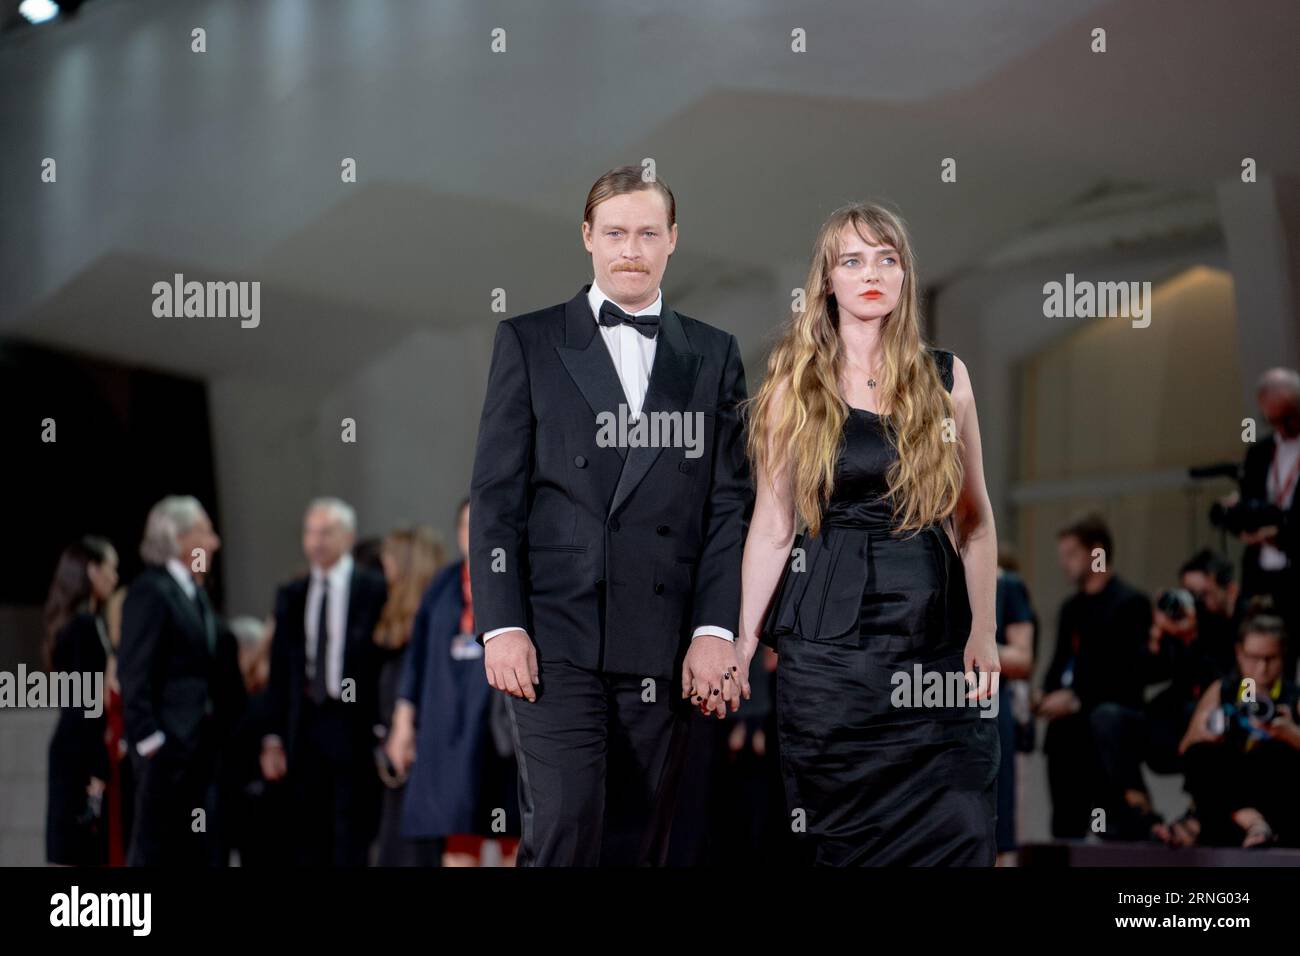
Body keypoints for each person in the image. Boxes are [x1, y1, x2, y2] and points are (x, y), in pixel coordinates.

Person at [469, 165, 752, 866]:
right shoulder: (529, 342)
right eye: (617, 232)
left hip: (662, 635)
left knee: (639, 838)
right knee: (566, 821)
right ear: (588, 238)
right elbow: (496, 498)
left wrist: (717, 630)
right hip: (553, 634)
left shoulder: (713, 355)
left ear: (673, 241)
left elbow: (728, 505)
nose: (632, 249)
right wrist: (500, 625)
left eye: (648, 233)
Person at [739, 201, 1001, 866]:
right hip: (832, 661)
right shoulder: (792, 388)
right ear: (826, 280)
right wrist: (741, 642)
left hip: (935, 643)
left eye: (888, 259)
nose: (872, 273)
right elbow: (772, 527)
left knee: (963, 826)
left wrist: (984, 630)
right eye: (852, 261)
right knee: (844, 846)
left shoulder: (948, 379)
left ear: (906, 276)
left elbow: (973, 520)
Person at [388, 499, 521, 866]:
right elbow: (415, 662)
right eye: (464, 526)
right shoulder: (441, 587)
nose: (472, 533)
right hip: (446, 731)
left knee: (513, 832)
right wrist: (402, 725)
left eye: (479, 524)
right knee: (457, 830)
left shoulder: (512, 578)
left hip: (500, 730)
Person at [261, 497, 388, 865]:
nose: (316, 542)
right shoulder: (292, 594)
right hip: (305, 727)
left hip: (355, 725)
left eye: (326, 533)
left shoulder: (373, 589)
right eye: (310, 533)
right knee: (307, 831)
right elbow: (280, 671)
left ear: (348, 537)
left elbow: (381, 663)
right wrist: (272, 737)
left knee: (353, 830)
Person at [118, 495, 244, 866]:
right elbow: (134, 672)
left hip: (200, 749)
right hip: (167, 753)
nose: (215, 542)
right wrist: (150, 740)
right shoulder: (151, 592)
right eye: (205, 532)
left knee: (201, 851)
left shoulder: (195, 593)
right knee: (157, 852)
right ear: (180, 539)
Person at [1036, 514, 1153, 841]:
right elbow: (1057, 666)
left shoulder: (1130, 605)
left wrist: (1076, 698)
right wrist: (1043, 695)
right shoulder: (1070, 609)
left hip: (1102, 738)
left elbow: (1130, 674)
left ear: (1097, 553)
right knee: (1066, 827)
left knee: (1110, 828)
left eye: (1071, 554)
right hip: (1065, 739)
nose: (1064, 564)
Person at [1177, 613, 1300, 847]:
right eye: (1254, 658)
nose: (1262, 668)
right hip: (1230, 799)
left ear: (1283, 656)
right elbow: (1186, 751)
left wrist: (1290, 733)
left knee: (1276, 753)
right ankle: (1251, 820)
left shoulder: (1294, 698)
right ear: (1239, 653)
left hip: (1276, 801)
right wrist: (1205, 733)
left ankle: (1200, 823)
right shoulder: (1222, 690)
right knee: (1201, 755)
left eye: (1270, 658)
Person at [44, 536, 119, 866]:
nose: (115, 577)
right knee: (86, 850)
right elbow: (88, 704)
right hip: (82, 753)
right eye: (111, 568)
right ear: (92, 571)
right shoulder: (86, 626)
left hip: (72, 748)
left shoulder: (70, 625)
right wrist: (98, 768)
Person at [372, 525, 441, 866]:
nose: (382, 564)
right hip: (393, 751)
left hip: (418, 752)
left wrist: (406, 730)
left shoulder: (430, 618)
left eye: (389, 556)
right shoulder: (391, 613)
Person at [1229, 368, 1300, 677]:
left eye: (1288, 418)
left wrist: (1281, 533)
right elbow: (1247, 510)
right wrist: (1242, 524)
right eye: (1271, 420)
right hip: (1260, 576)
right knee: (1256, 658)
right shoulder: (1259, 453)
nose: (1281, 428)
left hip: (1296, 570)